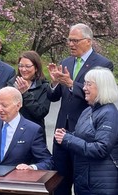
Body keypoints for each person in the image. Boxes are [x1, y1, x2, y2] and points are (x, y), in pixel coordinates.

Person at [47, 23, 113, 195]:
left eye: (75, 40)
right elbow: (53, 97)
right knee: (59, 180)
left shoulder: (103, 64)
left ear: (88, 41)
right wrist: (54, 82)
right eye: (69, 40)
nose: (71, 44)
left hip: (84, 134)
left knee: (81, 181)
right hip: (62, 130)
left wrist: (71, 84)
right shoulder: (66, 62)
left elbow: (99, 97)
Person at [54, 67, 118, 195]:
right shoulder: (88, 110)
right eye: (84, 84)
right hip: (85, 181)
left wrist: (68, 139)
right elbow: (83, 136)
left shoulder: (109, 113)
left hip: (100, 185)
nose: (84, 88)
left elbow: (101, 149)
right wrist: (66, 134)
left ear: (102, 87)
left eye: (89, 84)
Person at [8, 51, 50, 143]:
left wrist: (25, 93)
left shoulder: (44, 86)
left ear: (36, 68)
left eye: (27, 66)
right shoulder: (11, 84)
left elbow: (40, 112)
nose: (23, 69)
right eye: (21, 66)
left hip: (34, 134)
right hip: (13, 133)